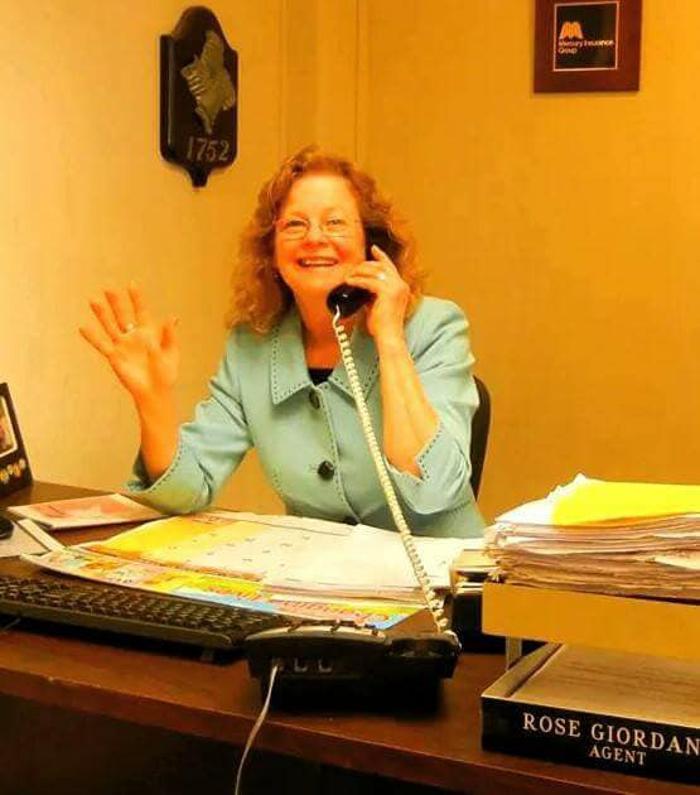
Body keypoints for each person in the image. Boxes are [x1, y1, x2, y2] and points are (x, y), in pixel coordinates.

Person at [80, 147, 484, 537]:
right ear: (271, 252)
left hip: (436, 575)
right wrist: (152, 399)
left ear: (371, 243)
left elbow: (437, 489)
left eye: (335, 223)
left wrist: (390, 338)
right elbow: (186, 491)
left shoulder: (433, 326)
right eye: (294, 225)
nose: (315, 238)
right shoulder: (252, 346)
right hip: (315, 573)